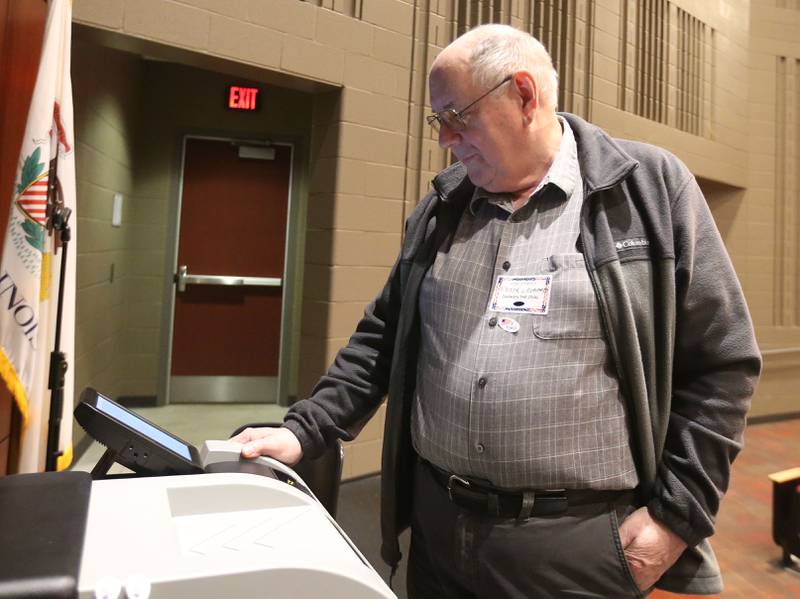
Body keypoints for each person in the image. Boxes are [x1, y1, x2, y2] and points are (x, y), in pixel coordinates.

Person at [231, 24, 761, 598]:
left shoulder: (648, 191)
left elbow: (722, 364)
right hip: (439, 528)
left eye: (457, 116)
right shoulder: (443, 206)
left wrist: (675, 519)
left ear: (525, 96)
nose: (445, 139)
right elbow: (383, 338)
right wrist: (305, 431)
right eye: (439, 122)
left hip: (575, 545)